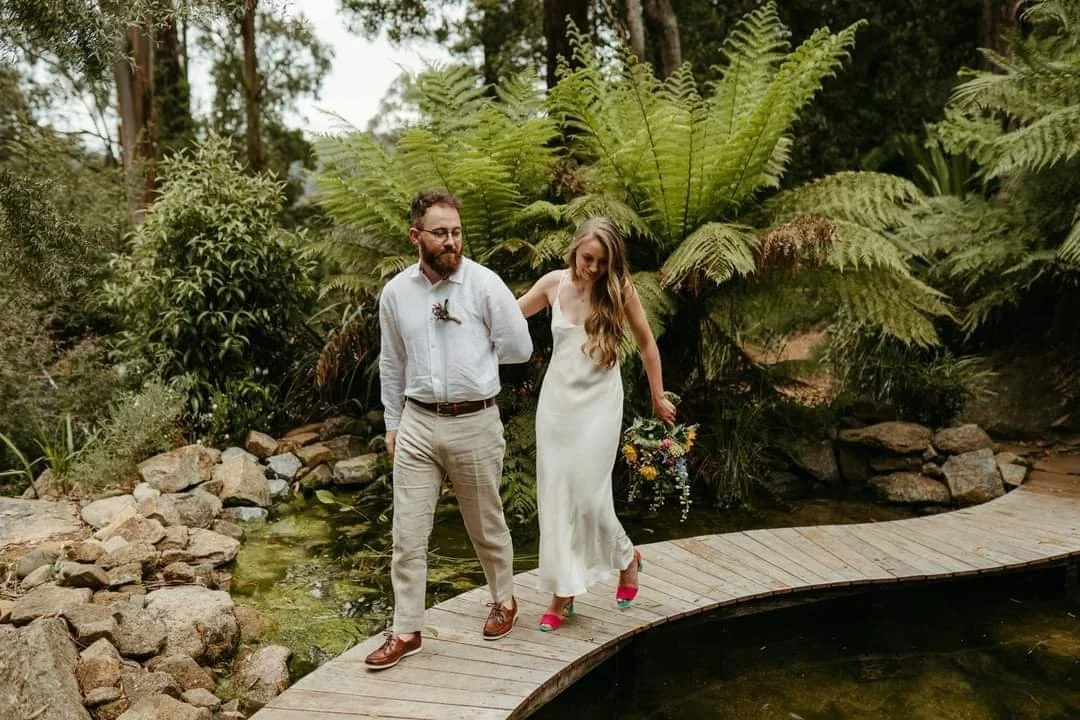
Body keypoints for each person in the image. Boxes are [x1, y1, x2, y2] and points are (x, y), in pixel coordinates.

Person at [365, 189, 533, 670]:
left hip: (475, 421)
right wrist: (393, 422)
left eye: (457, 232)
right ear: (416, 236)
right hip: (417, 422)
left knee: (486, 524)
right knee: (407, 535)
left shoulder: (484, 285)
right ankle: (406, 630)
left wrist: (476, 360)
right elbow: (391, 363)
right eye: (441, 233)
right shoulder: (396, 293)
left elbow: (518, 347)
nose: (451, 241)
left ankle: (504, 599)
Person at [516, 217, 677, 631]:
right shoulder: (552, 284)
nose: (593, 268)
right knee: (556, 497)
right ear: (575, 251)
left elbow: (646, 343)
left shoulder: (618, 289)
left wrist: (658, 396)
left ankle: (626, 557)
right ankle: (563, 593)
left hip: (599, 405)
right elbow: (510, 317)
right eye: (588, 258)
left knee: (588, 496)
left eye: (602, 262)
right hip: (556, 407)